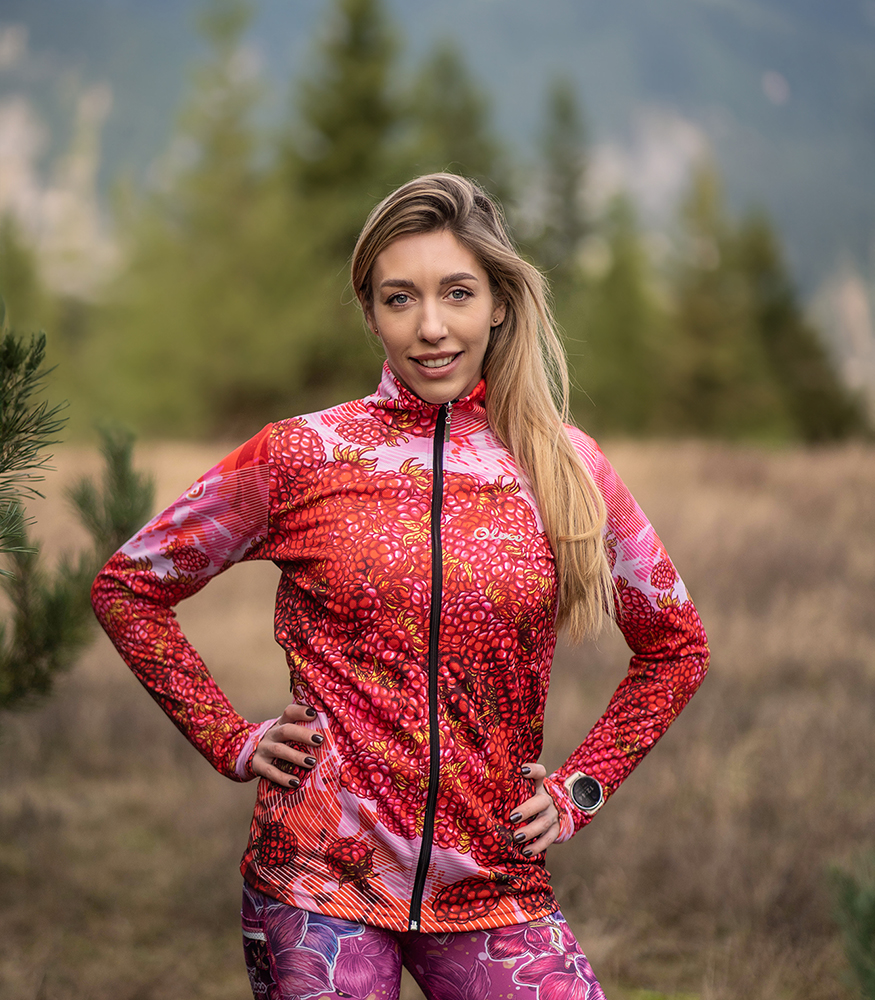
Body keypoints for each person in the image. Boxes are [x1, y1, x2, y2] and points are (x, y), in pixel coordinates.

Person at [92, 173, 709, 1000]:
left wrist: (580, 788)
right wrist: (229, 737)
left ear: (499, 302)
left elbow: (676, 647)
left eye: (457, 293)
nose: (430, 328)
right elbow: (129, 586)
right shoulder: (302, 455)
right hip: (316, 881)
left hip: (491, 881)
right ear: (369, 312)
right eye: (398, 299)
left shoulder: (567, 465)